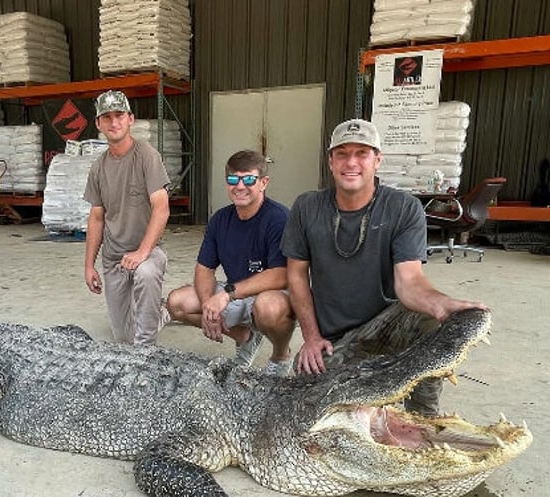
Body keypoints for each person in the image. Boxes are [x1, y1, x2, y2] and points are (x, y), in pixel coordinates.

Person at [280, 119, 486, 414]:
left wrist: (439, 304)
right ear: (330, 161)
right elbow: (297, 276)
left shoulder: (403, 208)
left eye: (362, 153)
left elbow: (410, 280)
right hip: (337, 337)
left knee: (428, 323)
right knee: (305, 400)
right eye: (342, 153)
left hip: (387, 324)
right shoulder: (307, 207)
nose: (351, 162)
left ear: (377, 160)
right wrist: (311, 337)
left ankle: (422, 418)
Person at [166, 150, 295, 375]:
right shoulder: (220, 219)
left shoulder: (279, 219)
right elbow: (204, 268)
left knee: (268, 308)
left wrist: (227, 294)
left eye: (249, 180)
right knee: (177, 302)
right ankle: (244, 337)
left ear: (264, 183)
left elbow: (281, 274)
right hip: (235, 293)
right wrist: (209, 306)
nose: (240, 186)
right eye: (233, 179)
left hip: (273, 294)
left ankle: (281, 355)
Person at [83, 90, 171, 345]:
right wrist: (89, 265)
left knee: (145, 274)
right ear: (98, 124)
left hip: (148, 252)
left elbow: (161, 208)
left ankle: (147, 353)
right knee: (123, 338)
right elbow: (97, 218)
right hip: (115, 259)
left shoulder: (147, 157)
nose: (114, 122)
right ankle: (160, 313)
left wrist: (143, 252)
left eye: (119, 115)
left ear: (130, 119)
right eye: (106, 117)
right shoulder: (98, 168)